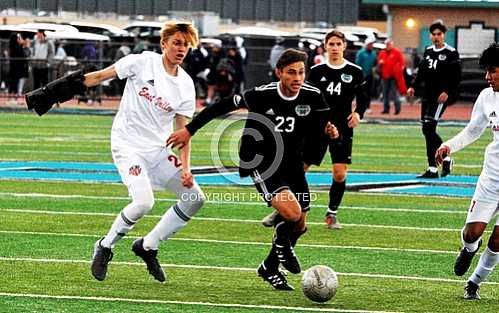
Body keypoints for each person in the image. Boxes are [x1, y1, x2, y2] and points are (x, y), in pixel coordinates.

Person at [23, 21, 207, 282]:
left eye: (186, 45)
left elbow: (183, 132)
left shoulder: (186, 85)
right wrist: (54, 94)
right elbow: (98, 76)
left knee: (195, 198)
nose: (181, 49)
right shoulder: (141, 62)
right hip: (127, 143)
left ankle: (148, 245)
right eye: (176, 43)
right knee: (144, 202)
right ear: (164, 43)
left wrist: (186, 169)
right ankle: (105, 246)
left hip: (157, 148)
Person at [167, 49, 337, 290]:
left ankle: (269, 267)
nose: (297, 78)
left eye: (301, 72)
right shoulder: (261, 95)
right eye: (291, 72)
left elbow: (322, 127)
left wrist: (330, 133)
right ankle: (280, 236)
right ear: (279, 73)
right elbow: (221, 106)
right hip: (261, 160)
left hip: (291, 162)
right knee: (291, 214)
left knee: (300, 226)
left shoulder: (313, 96)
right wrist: (190, 129)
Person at [435, 43, 499, 300]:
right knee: (471, 233)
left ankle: (473, 283)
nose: (487, 77)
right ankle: (469, 249)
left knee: (498, 241)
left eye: (492, 71)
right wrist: (449, 145)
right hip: (492, 177)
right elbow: (473, 131)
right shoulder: (487, 97)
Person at [306, 29, 368, 229]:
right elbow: (307, 99)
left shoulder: (354, 72)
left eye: (338, 44)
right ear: (325, 46)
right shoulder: (316, 71)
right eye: (331, 44)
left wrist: (358, 113)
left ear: (344, 46)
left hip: (342, 128)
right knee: (299, 169)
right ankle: (285, 207)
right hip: (317, 127)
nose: (334, 48)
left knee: (340, 174)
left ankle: (331, 213)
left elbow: (364, 97)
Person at [408, 20, 462, 178]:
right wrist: (413, 86)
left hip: (440, 97)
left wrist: (447, 91)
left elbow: (457, 76)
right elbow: (422, 71)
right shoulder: (428, 50)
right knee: (426, 130)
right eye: (434, 34)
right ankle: (432, 168)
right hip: (427, 95)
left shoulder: (451, 52)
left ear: (444, 35)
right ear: (430, 36)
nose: (436, 37)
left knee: (429, 128)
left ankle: (446, 157)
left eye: (439, 34)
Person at [377, 39, 406, 115]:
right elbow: (378, 64)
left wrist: (398, 71)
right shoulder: (382, 53)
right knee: (385, 93)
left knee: (394, 93)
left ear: (392, 45)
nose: (388, 46)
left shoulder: (397, 52)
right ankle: (386, 109)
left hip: (394, 77)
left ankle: (397, 109)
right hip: (385, 76)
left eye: (389, 44)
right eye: (387, 44)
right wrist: (380, 64)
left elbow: (402, 64)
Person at [355, 39, 377, 113]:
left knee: (368, 92)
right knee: (360, 92)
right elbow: (357, 63)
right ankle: (359, 107)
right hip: (361, 76)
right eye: (369, 44)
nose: (371, 46)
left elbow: (375, 63)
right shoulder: (361, 53)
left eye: (372, 44)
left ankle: (368, 107)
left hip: (369, 75)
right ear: (366, 45)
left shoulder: (373, 53)